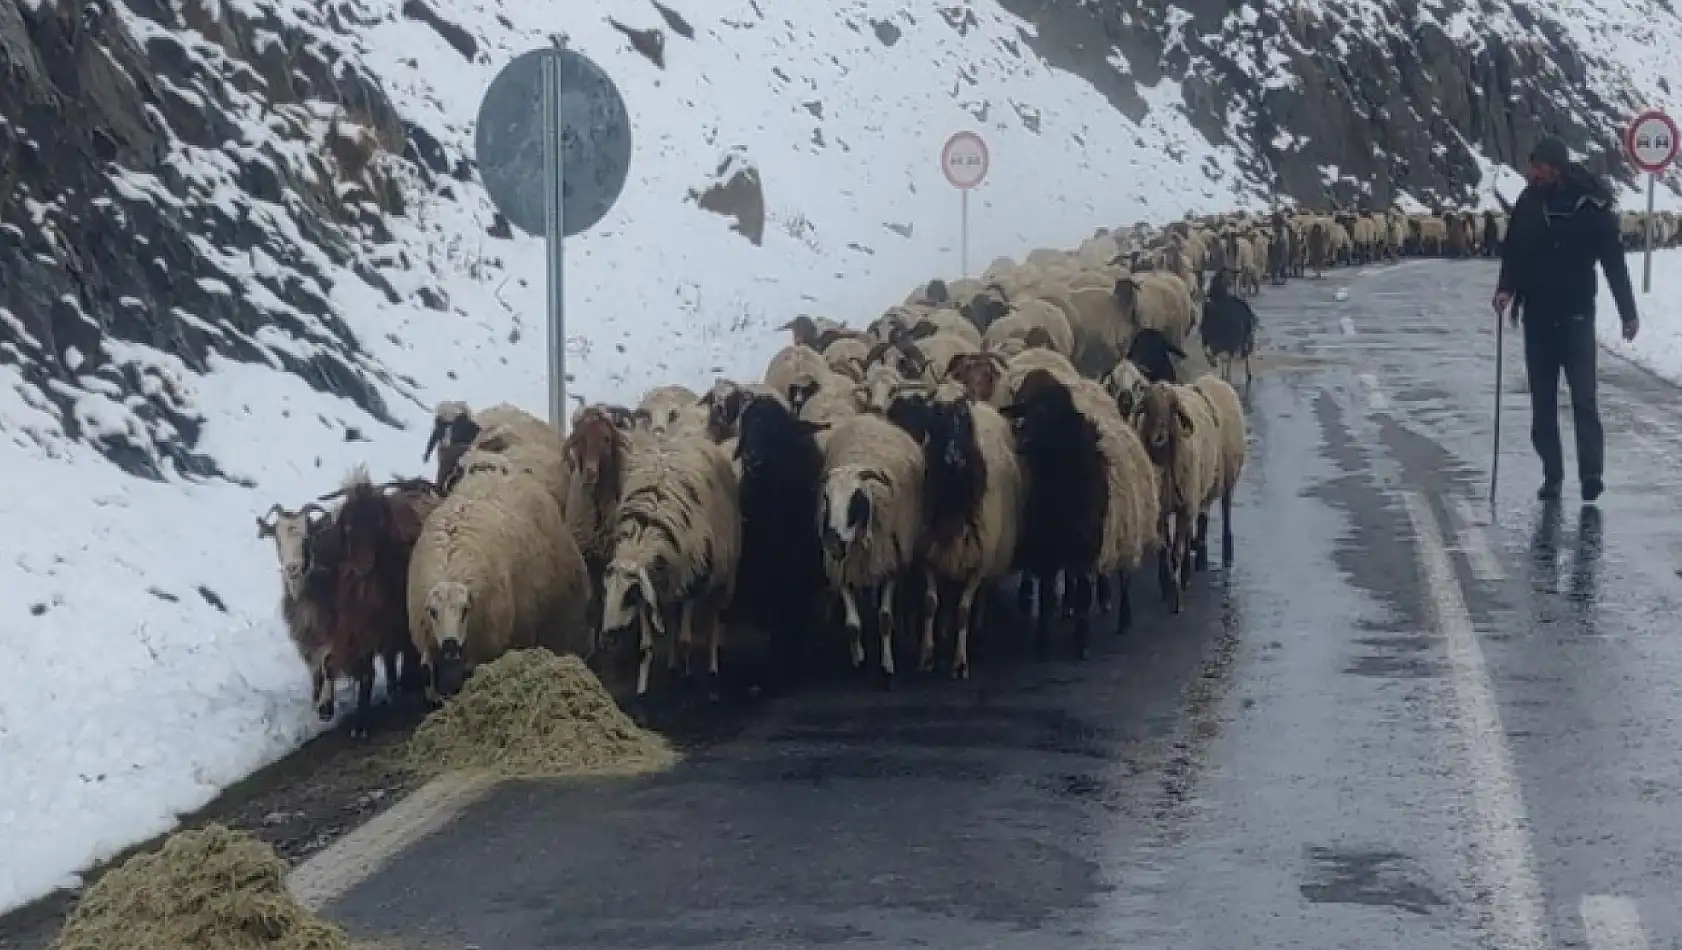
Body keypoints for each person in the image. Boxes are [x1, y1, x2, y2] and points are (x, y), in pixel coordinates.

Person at [1492, 135, 1640, 503]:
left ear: (1554, 167)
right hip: (1538, 317)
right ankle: (1552, 474)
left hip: (1576, 316)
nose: (1532, 173)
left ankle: (1591, 473)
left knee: (1584, 400)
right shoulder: (1529, 203)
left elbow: (1613, 262)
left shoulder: (1591, 206)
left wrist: (1628, 312)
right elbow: (1515, 252)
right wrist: (1506, 289)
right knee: (1542, 403)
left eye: (1538, 166)